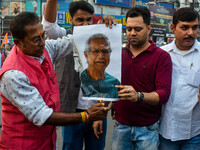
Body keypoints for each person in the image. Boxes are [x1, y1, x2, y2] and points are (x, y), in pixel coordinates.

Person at [0, 12, 109, 150]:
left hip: (47, 141)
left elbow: (72, 41)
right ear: (18, 42)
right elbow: (42, 115)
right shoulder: (13, 74)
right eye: (36, 40)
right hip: (22, 144)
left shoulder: (45, 49)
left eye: (43, 36)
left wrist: (99, 27)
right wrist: (86, 115)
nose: (42, 42)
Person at [42, 0, 116, 149]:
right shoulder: (63, 37)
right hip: (72, 112)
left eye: (88, 20)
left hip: (97, 112)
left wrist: (109, 24)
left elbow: (109, 78)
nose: (85, 24)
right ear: (71, 20)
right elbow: (49, 27)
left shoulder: (103, 39)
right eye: (80, 20)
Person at [111, 7, 172, 150]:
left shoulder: (161, 57)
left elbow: (164, 94)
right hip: (120, 126)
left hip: (148, 129)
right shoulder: (118, 54)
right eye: (129, 29)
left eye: (138, 29)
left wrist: (139, 96)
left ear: (149, 28)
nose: (132, 33)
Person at [159, 7, 200, 150]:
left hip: (194, 133)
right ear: (172, 28)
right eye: (185, 27)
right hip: (165, 131)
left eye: (195, 28)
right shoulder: (161, 54)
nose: (191, 33)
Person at [82, 33, 120, 100]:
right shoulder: (79, 80)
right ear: (86, 55)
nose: (101, 56)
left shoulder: (115, 83)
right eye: (95, 51)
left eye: (105, 51)